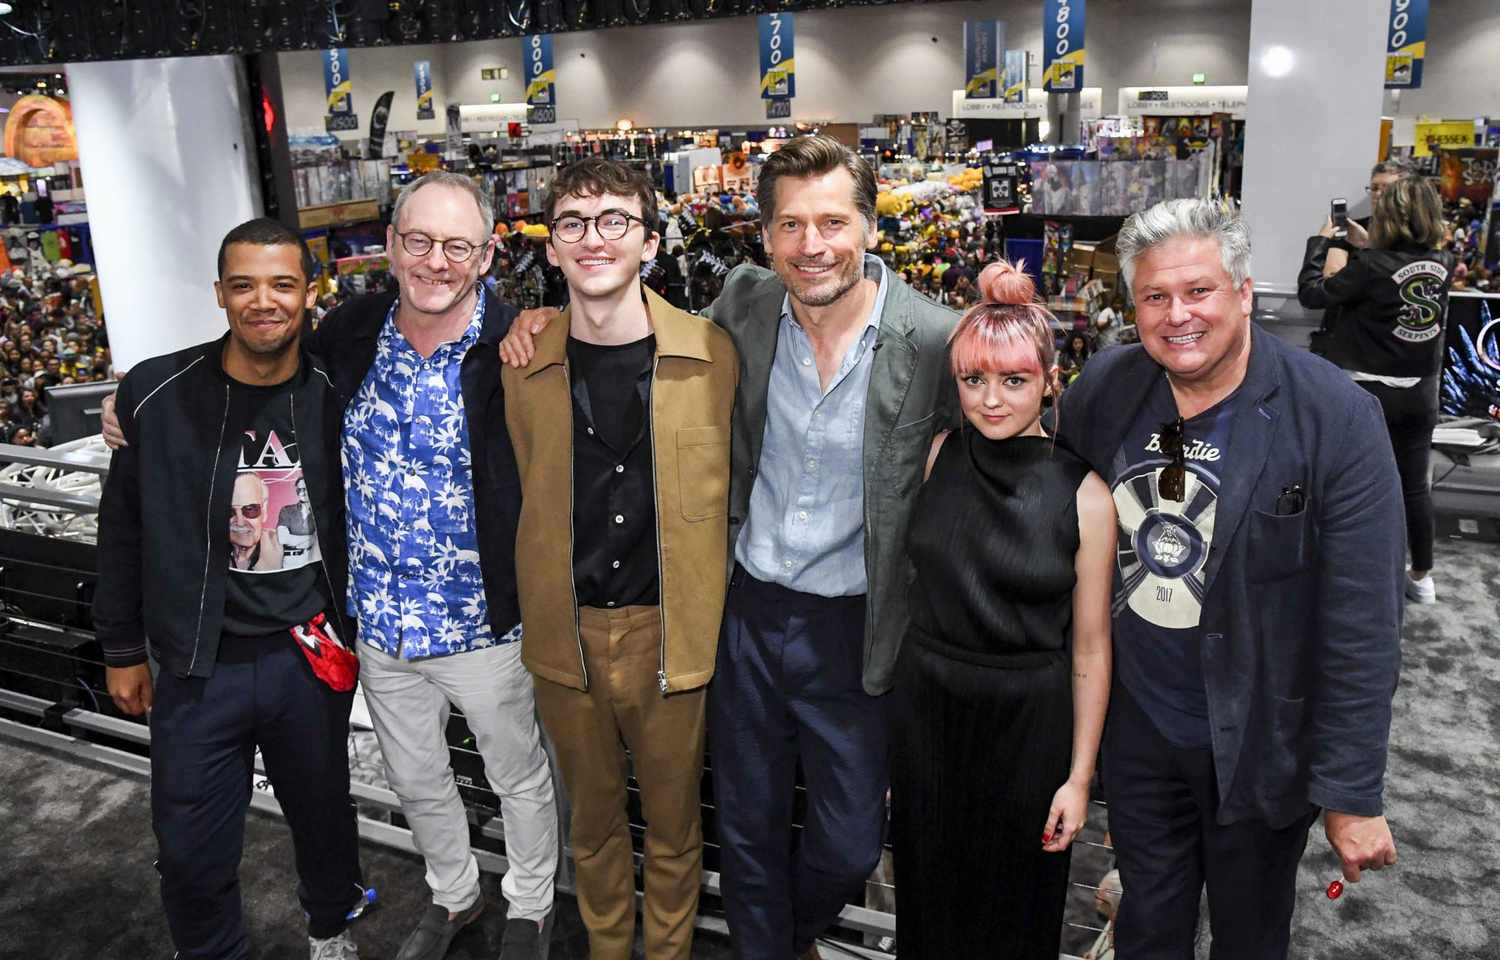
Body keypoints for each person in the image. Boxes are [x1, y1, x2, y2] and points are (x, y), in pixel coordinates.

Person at [501, 134, 958, 960]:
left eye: (831, 222)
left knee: (850, 842)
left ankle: (785, 935)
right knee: (741, 829)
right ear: (766, 238)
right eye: (791, 225)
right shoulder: (742, 314)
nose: (811, 245)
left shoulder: (933, 339)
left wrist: (1005, 311)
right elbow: (617, 324)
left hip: (854, 627)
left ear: (871, 226)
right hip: (744, 613)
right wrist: (542, 319)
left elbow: (1014, 422)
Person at [102, 175, 560, 960]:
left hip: (483, 621)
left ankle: (530, 906)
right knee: (418, 783)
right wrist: (132, 399)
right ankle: (455, 899)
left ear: (487, 255)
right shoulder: (350, 334)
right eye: (418, 241)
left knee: (518, 776)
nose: (435, 261)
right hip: (375, 624)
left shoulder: (520, 345)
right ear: (390, 246)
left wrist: (553, 315)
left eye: (457, 245)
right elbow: (254, 355)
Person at [1055, 199, 1403, 959]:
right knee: (1151, 920)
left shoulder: (1336, 417)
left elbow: (1362, 625)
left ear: (1245, 293)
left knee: (1249, 933)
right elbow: (1055, 526)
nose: (1177, 315)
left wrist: (1349, 792)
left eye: (1199, 291)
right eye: (1154, 297)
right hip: (1141, 734)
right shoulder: (1104, 393)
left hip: (1261, 742)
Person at [93, 218, 365, 960]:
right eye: (243, 285)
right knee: (188, 844)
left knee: (324, 817)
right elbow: (121, 529)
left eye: (282, 284)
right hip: (195, 664)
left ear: (310, 292)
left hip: (307, 659)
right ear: (220, 294)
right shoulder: (157, 390)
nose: (263, 302)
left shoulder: (339, 387)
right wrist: (120, 646)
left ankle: (331, 927)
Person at [502, 158, 737, 960]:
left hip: (673, 639)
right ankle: (607, 946)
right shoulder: (521, 366)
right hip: (564, 640)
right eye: (571, 222)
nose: (592, 238)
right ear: (551, 249)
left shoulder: (713, 356)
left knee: (674, 828)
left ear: (650, 239)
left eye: (614, 221)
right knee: (593, 826)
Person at [890, 260, 1114, 959]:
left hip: (1028, 727)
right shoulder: (935, 455)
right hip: (926, 711)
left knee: (1016, 911)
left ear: (1050, 380)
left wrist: (1079, 778)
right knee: (926, 900)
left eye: (1013, 380)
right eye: (973, 380)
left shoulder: (1086, 496)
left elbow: (1091, 648)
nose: (990, 400)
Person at [1297, 174, 1453, 605]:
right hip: (1419, 393)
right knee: (1414, 486)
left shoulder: (1369, 268)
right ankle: (1421, 577)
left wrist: (1320, 242)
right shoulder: (1445, 261)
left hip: (1367, 394)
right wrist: (1369, 248)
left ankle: (1345, 575)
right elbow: (1398, 281)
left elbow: (1312, 294)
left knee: (1345, 483)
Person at [229, 471, 284, 571]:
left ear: (264, 510)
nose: (240, 523)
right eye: (229, 512)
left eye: (250, 509)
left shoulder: (284, 547)